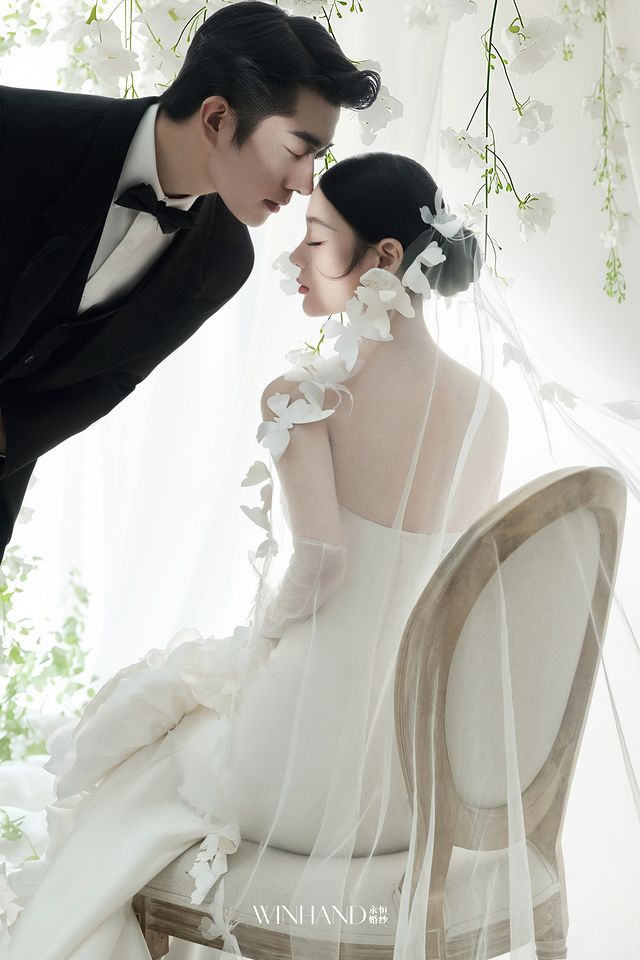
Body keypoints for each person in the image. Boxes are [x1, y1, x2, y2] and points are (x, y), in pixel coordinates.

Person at [2, 153, 640, 960]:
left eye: (314, 238)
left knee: (147, 770)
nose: (295, 259)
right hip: (427, 776)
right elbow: (454, 594)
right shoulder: (488, 408)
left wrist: (250, 653)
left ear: (383, 257)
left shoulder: (304, 398)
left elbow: (319, 567)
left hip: (308, 770)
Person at [0, 0, 380, 562]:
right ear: (217, 118)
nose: (305, 184)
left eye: (317, 157)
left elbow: (110, 379)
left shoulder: (223, 260)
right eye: (298, 150)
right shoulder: (18, 131)